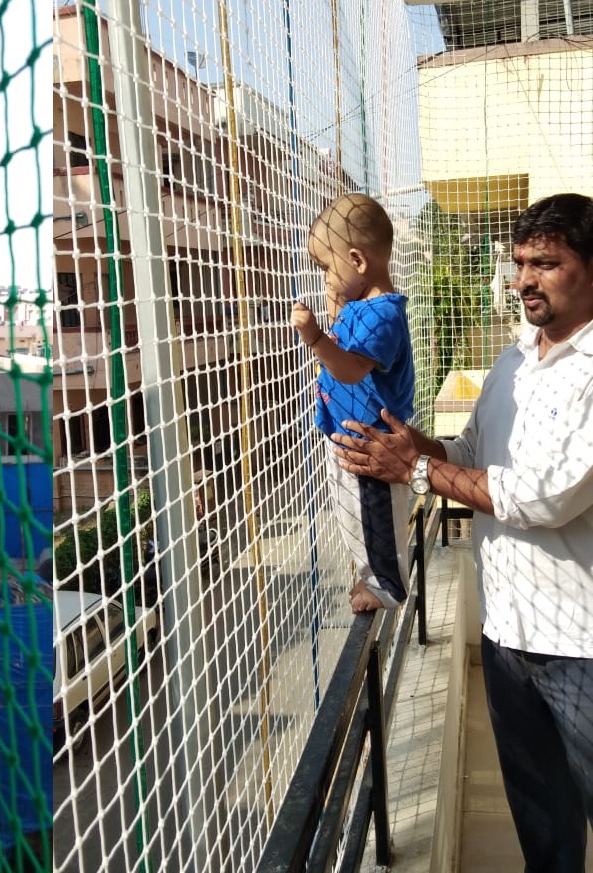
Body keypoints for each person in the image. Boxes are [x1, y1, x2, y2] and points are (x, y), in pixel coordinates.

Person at [333, 192, 593, 870]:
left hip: (580, 648)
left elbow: (540, 497)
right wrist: (402, 442)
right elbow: (469, 452)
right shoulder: (513, 360)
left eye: (546, 263)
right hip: (505, 639)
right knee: (544, 833)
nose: (524, 280)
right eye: (518, 263)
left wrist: (414, 468)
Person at [291, 192, 415, 612]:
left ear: (359, 261)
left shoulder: (382, 314)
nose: (325, 278)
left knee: (373, 519)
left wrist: (313, 337)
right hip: (348, 437)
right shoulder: (360, 307)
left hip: (370, 443)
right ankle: (373, 577)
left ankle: (387, 587)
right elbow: (341, 331)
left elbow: (351, 369)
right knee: (354, 519)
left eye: (328, 268)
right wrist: (334, 298)